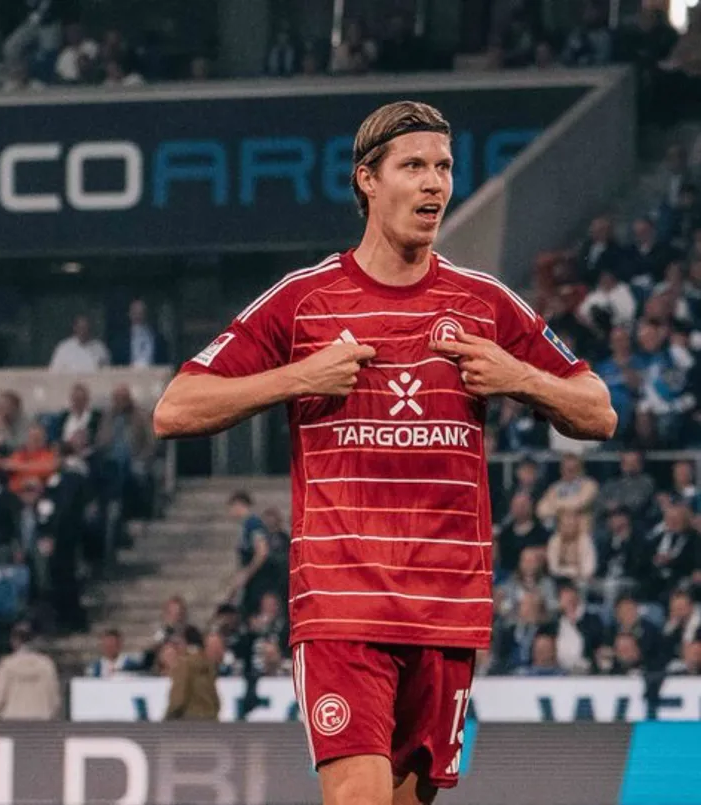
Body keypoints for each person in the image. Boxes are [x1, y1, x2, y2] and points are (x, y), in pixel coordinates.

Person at [153, 102, 615, 805]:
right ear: (367, 179)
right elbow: (175, 408)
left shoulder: (484, 302)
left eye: (444, 168)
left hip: (446, 609)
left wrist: (518, 377)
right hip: (343, 607)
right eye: (414, 166)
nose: (434, 183)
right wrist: (297, 378)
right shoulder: (305, 301)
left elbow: (599, 410)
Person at [0, 622, 60, 720]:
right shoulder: (46, 665)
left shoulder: (7, 665)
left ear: (14, 641)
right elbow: (54, 699)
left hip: (11, 721)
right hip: (41, 720)